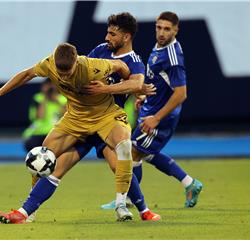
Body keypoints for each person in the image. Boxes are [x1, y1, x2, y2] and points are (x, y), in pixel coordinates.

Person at [0, 42, 135, 223]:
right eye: (61, 74)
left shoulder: (94, 67)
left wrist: (119, 86)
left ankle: (121, 205)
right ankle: (29, 211)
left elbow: (122, 66)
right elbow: (27, 74)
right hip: (75, 118)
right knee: (41, 157)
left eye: (68, 73)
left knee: (124, 146)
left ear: (76, 62)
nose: (65, 77)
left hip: (106, 116)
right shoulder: (49, 64)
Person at [27, 12, 161, 222]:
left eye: (112, 34)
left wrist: (119, 90)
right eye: (107, 32)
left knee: (119, 165)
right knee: (51, 164)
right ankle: (28, 210)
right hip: (82, 121)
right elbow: (82, 73)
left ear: (126, 37)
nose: (107, 37)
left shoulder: (133, 61)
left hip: (107, 122)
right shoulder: (101, 50)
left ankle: (136, 209)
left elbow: (135, 83)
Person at [100, 11, 203, 209]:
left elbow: (181, 94)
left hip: (161, 116)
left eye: (167, 29)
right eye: (159, 27)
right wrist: (145, 96)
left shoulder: (172, 57)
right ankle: (189, 183)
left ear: (176, 30)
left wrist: (156, 118)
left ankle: (127, 199)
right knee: (144, 152)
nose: (162, 33)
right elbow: (161, 82)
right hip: (151, 109)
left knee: (130, 153)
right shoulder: (160, 47)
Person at [22, 78, 66, 152]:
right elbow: (40, 116)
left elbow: (65, 116)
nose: (51, 89)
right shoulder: (38, 98)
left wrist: (57, 101)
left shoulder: (63, 99)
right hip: (39, 133)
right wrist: (45, 98)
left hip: (56, 133)